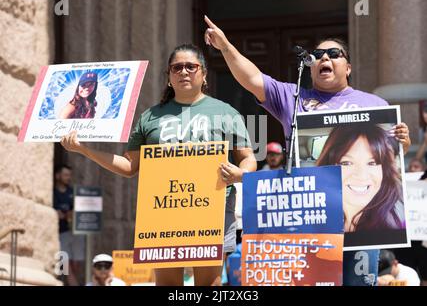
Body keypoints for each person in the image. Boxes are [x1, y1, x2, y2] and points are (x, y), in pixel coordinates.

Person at [203, 15, 411, 286]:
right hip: (308, 222)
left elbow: (390, 157)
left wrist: (402, 142)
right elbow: (252, 77)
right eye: (317, 55)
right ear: (310, 67)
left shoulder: (374, 104)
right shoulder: (293, 97)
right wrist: (225, 46)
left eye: (334, 54)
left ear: (347, 67)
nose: (324, 58)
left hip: (359, 226)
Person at [60, 44, 257, 286]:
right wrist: (84, 150)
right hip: (164, 210)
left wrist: (240, 173)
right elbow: (130, 166)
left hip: (212, 209)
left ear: (203, 74)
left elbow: (248, 158)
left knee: (209, 286)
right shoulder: (150, 117)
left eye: (191, 67)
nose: (184, 72)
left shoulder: (226, 113)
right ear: (169, 76)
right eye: (177, 67)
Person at [316, 124, 404, 234]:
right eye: (347, 163)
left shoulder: (396, 228)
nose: (362, 175)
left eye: (372, 163)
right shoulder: (310, 227)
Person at [53, 164, 85, 286]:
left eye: (70, 175)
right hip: (61, 233)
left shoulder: (73, 192)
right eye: (66, 175)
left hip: (76, 233)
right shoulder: (52, 193)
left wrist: (66, 214)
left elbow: (76, 212)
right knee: (65, 265)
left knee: (75, 264)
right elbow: (57, 213)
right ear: (58, 176)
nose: (68, 177)